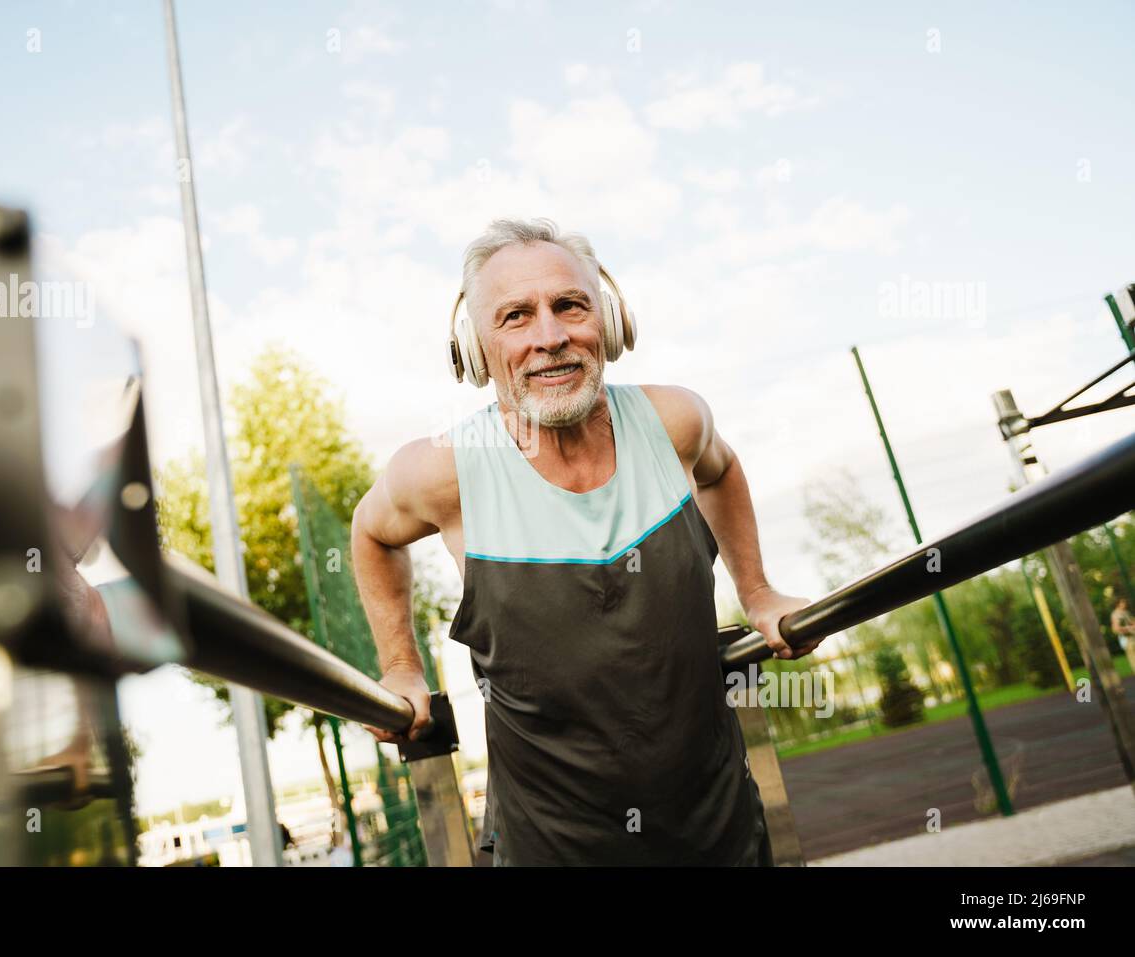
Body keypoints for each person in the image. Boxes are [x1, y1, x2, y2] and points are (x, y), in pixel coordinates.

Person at [351, 218, 822, 866]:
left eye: (569, 305)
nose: (550, 337)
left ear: (609, 320)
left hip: (721, 830)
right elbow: (372, 532)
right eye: (516, 316)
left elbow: (724, 468)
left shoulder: (675, 421)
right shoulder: (444, 470)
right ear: (474, 348)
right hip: (552, 845)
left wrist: (759, 590)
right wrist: (401, 665)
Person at [1112, 597, 1135, 675]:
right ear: (1118, 604)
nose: (1125, 604)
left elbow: (1132, 622)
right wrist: (1128, 628)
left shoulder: (1126, 612)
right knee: (1132, 657)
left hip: (1133, 636)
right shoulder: (1116, 614)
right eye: (1123, 602)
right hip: (1127, 639)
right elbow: (1116, 628)